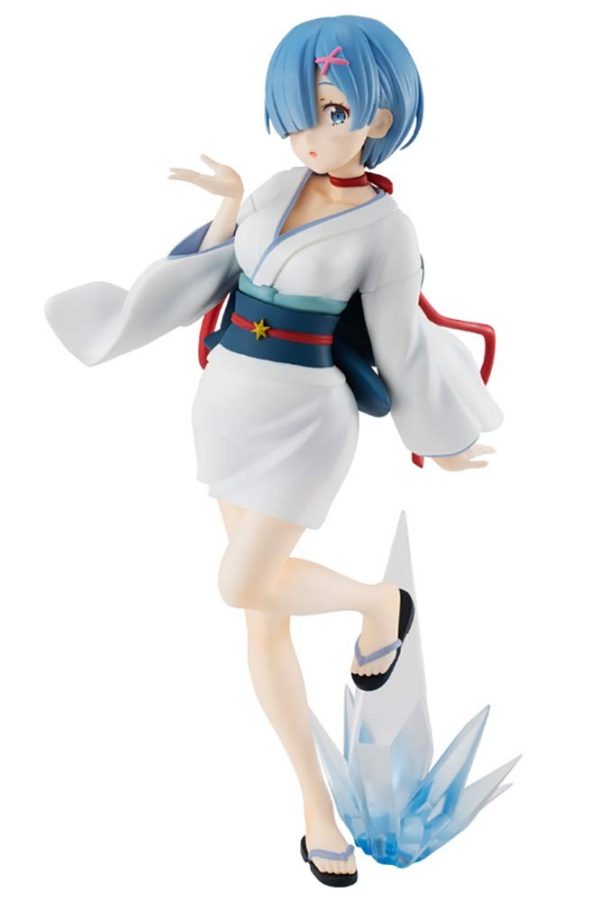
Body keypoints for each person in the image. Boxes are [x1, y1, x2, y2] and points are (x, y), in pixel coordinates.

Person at [44, 15, 503, 886]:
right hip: (226, 408)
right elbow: (217, 272)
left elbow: (401, 345)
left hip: (305, 421)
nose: (310, 134)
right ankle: (315, 808)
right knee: (263, 618)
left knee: (241, 582)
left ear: (377, 116)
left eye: (332, 112)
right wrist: (227, 205)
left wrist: (437, 438)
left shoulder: (387, 230)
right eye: (298, 115)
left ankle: (380, 605)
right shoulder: (275, 189)